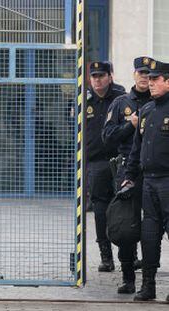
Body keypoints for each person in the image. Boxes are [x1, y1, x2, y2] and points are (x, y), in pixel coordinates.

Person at [102, 56, 153, 294]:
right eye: (141, 73)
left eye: (149, 75)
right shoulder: (121, 103)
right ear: (134, 75)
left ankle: (149, 276)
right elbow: (108, 137)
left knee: (153, 225)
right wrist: (130, 125)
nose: (145, 78)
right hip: (126, 170)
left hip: (153, 171)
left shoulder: (159, 102)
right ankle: (128, 276)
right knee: (125, 223)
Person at [123, 59, 169, 302]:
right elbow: (136, 149)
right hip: (148, 182)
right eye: (148, 79)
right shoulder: (148, 111)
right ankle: (148, 287)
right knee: (149, 237)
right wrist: (129, 176)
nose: (150, 83)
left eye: (155, 79)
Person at [86, 61, 126, 272]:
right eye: (94, 76)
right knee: (100, 211)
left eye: (101, 75)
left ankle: (129, 256)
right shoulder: (84, 99)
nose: (97, 80)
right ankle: (106, 256)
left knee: (124, 209)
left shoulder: (121, 98)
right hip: (96, 163)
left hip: (119, 160)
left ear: (110, 77)